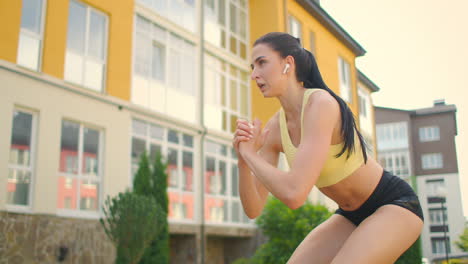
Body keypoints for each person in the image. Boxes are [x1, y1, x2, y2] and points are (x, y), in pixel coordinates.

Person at [232, 32, 424, 264]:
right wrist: (244, 158)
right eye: (253, 67)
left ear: (287, 64)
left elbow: (295, 194)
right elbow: (253, 208)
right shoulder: (275, 128)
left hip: (394, 203)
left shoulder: (320, 104)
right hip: (350, 215)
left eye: (262, 63)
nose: (254, 75)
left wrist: (252, 155)